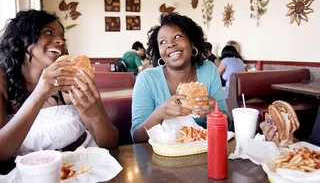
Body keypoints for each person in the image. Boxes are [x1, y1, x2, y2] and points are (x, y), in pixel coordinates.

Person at [0, 10, 119, 163]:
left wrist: (97, 114)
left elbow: (109, 142)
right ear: (22, 39)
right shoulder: (3, 81)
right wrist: (40, 93)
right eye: (48, 32)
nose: (61, 42)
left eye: (63, 37)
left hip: (84, 169)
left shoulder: (69, 80)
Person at [131, 13, 229, 143]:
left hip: (204, 153)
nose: (170, 44)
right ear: (159, 51)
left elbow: (228, 123)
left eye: (177, 36)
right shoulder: (147, 79)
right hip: (161, 158)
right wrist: (158, 115)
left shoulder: (209, 70)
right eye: (162, 42)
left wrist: (215, 112)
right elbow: (136, 137)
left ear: (192, 42)